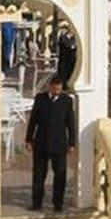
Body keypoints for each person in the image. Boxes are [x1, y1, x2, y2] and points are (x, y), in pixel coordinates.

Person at [25, 74, 78, 212]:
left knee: (60, 175)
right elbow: (33, 121)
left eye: (59, 90)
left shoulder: (66, 101)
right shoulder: (40, 99)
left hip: (59, 145)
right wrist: (29, 139)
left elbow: (70, 124)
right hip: (41, 143)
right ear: (50, 87)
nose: (56, 92)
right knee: (38, 175)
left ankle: (58, 204)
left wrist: (72, 143)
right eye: (55, 89)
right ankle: (37, 203)